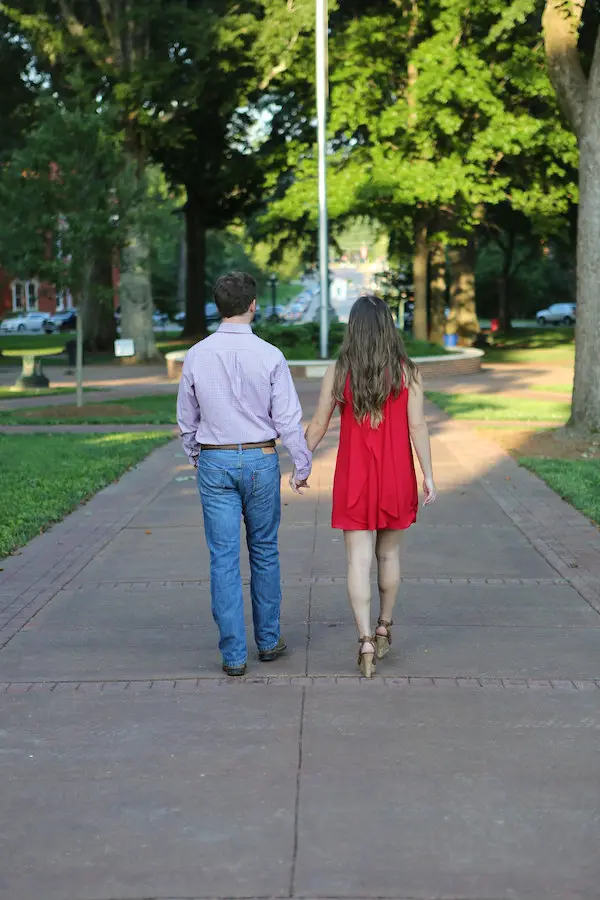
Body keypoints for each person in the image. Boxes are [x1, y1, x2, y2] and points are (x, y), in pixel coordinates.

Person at [177, 272, 312, 677]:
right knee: (265, 549)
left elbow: (187, 416)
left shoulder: (197, 355)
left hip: (216, 460)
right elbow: (287, 418)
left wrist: (194, 454)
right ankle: (268, 640)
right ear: (253, 305)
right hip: (260, 459)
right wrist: (301, 463)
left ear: (218, 306)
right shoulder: (270, 355)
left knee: (223, 557)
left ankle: (234, 653)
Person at [295, 294, 436, 677]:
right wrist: (428, 474)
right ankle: (384, 626)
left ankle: (364, 643)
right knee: (388, 556)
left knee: (357, 559)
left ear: (353, 328)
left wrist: (301, 463)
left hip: (354, 475)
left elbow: (320, 423)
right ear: (389, 326)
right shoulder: (407, 372)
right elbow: (417, 426)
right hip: (396, 475)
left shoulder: (340, 371)